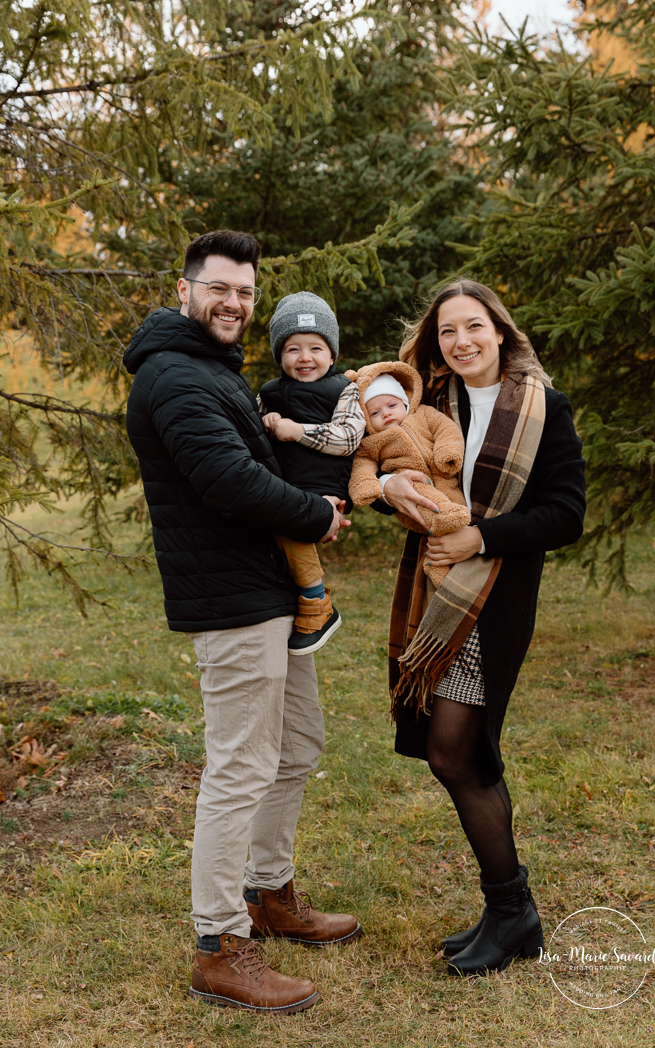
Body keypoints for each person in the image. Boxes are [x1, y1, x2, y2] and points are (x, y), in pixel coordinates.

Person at [124, 230, 361, 1016]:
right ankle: (220, 945)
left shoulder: (210, 370)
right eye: (219, 287)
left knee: (295, 745)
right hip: (230, 602)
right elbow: (230, 480)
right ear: (185, 288)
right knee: (239, 765)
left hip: (266, 592)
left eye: (245, 293)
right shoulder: (173, 376)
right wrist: (316, 515)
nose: (232, 302)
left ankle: (268, 893)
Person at [379, 280, 586, 976]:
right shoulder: (428, 406)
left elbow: (565, 513)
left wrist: (483, 537)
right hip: (433, 597)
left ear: (499, 331)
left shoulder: (541, 409)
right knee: (463, 756)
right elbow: (397, 476)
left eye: (473, 327)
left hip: (492, 605)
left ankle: (512, 911)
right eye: (446, 333)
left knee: (454, 752)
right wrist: (392, 493)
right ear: (434, 344)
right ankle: (510, 912)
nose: (461, 342)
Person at [259, 291, 364, 654]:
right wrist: (267, 421)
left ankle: (317, 602)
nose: (305, 358)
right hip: (282, 481)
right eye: (293, 349)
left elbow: (349, 437)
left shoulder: (345, 391)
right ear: (279, 355)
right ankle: (294, 596)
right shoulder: (269, 393)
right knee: (275, 530)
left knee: (291, 528)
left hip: (324, 485)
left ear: (332, 354)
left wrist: (299, 430)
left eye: (315, 348)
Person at [346, 359, 470, 587]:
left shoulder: (424, 414)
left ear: (405, 402)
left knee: (456, 517)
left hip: (444, 479)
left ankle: (438, 565)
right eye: (375, 412)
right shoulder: (371, 442)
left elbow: (447, 429)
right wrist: (365, 485)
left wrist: (447, 451)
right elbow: (362, 464)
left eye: (392, 405)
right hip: (411, 487)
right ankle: (443, 524)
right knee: (430, 506)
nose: (386, 414)